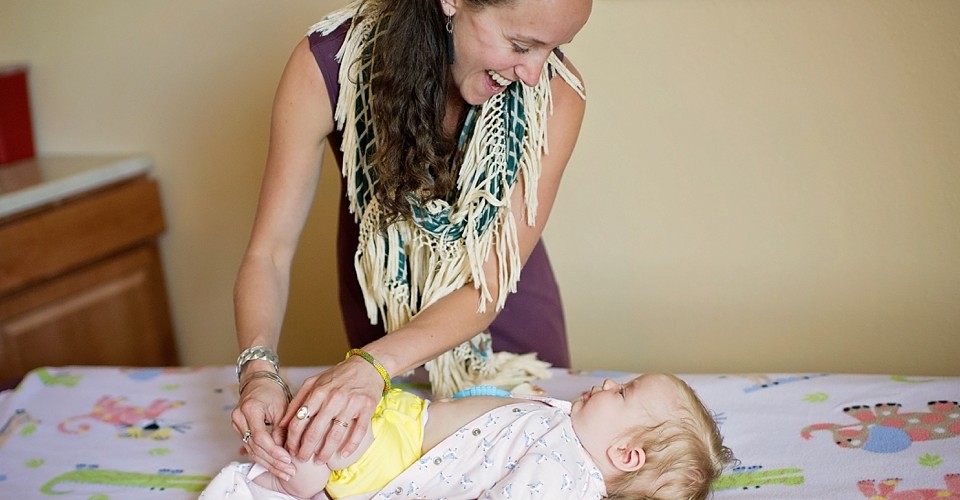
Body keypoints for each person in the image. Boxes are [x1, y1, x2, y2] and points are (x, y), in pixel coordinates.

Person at [231, 0, 594, 484]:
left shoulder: (557, 94)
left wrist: (371, 366)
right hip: (382, 323)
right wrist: (258, 371)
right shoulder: (329, 65)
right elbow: (269, 254)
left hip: (507, 330)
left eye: (554, 48)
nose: (533, 74)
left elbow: (486, 286)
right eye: (521, 45)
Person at [204, 373, 734, 499]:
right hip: (409, 419)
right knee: (330, 407)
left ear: (625, 453)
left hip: (398, 459)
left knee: (326, 433)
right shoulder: (570, 424)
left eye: (623, 393)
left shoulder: (565, 475)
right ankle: (288, 450)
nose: (608, 383)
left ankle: (290, 471)